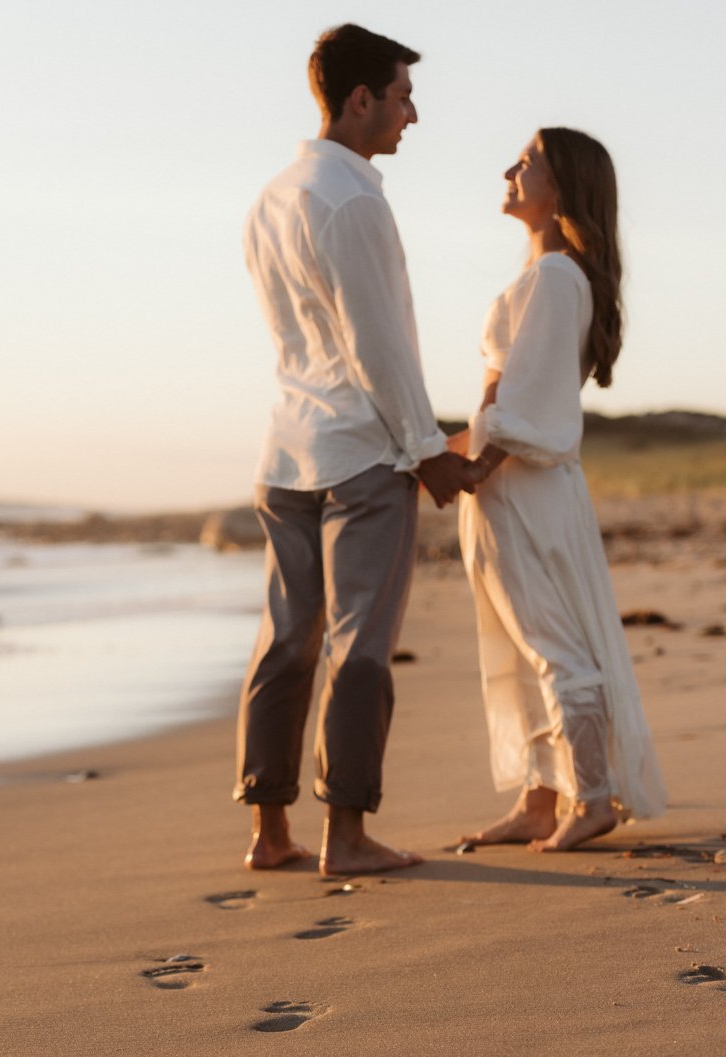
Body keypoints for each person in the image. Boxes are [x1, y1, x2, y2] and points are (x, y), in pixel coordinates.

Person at [236, 23, 474, 876]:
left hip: (285, 450)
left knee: (286, 640)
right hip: (360, 457)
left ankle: (269, 835)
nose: (413, 113)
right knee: (359, 644)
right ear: (360, 98)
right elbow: (379, 346)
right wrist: (427, 450)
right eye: (403, 95)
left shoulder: (270, 196)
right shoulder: (355, 199)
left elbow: (305, 338)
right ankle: (347, 836)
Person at [454, 128, 667, 852]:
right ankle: (540, 796)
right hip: (509, 484)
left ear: (564, 188)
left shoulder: (555, 278)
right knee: (520, 641)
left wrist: (470, 471)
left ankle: (593, 794)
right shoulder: (540, 276)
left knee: (552, 642)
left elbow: (535, 404)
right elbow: (502, 391)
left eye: (528, 161)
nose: (510, 169)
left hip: (524, 486)